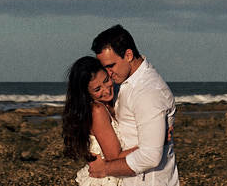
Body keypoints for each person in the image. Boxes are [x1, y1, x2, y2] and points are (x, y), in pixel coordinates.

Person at [87, 24, 179, 185]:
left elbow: (150, 156)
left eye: (110, 66)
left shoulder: (148, 92)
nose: (107, 74)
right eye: (104, 67)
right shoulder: (119, 81)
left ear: (128, 55)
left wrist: (105, 169)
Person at [62, 56, 137, 186]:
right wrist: (153, 143)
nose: (106, 90)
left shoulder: (111, 102)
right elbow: (114, 156)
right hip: (106, 180)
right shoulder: (98, 110)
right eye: (97, 89)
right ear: (86, 93)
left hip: (115, 175)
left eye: (106, 80)